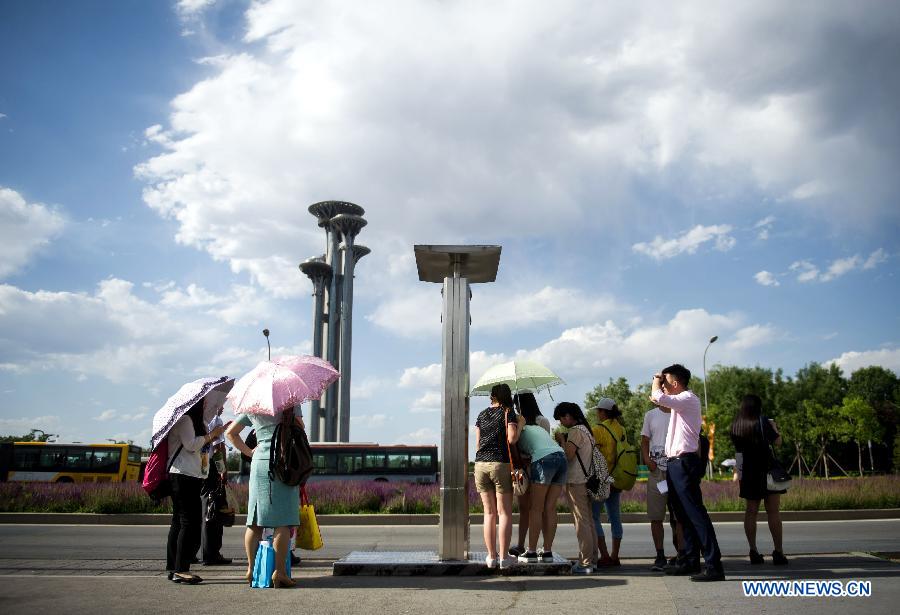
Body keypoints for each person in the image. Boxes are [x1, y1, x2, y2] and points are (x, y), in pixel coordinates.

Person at [651, 363, 725, 582]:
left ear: (674, 382)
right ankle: (691, 561)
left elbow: (658, 397)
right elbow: (657, 400)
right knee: (682, 516)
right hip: (675, 464)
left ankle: (714, 564)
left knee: (696, 514)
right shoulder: (677, 404)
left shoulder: (687, 398)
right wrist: (659, 386)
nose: (663, 386)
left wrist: (656, 380)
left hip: (684, 463)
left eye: (666, 382)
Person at [226, 408, 304, 588]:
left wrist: (250, 452)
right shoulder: (289, 400)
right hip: (283, 461)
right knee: (282, 522)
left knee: (254, 522)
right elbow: (300, 428)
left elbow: (231, 433)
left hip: (259, 462)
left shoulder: (255, 403)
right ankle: (279, 573)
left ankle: (251, 569)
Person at [166, 395, 229, 584]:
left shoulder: (195, 421)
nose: (206, 407)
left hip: (189, 475)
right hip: (183, 476)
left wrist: (213, 432)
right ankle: (181, 569)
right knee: (189, 523)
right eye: (203, 404)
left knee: (179, 521)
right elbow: (191, 445)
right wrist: (213, 434)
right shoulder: (185, 420)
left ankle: (174, 567)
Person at [730, 393, 789, 565]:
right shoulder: (763, 421)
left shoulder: (736, 425)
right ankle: (778, 552)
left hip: (748, 472)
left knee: (750, 512)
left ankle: (753, 550)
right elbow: (778, 442)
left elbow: (738, 453)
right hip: (767, 471)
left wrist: (739, 475)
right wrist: (774, 427)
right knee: (773, 512)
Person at [514, 395, 567, 563]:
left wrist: (518, 425)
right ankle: (547, 552)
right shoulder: (538, 427)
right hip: (561, 458)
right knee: (550, 508)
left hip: (543, 460)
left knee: (536, 509)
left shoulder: (521, 429)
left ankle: (530, 552)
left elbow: (514, 444)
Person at [474, 383, 520, 570]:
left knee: (489, 513)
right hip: (500, 464)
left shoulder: (481, 415)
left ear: (492, 396)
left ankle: (491, 557)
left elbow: (478, 444)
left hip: (480, 465)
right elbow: (511, 439)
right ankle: (504, 557)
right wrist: (520, 427)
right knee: (504, 512)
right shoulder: (508, 412)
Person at [553, 402, 599, 574]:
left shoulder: (575, 431)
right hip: (587, 480)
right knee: (588, 521)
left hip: (576, 480)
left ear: (567, 416)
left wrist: (561, 440)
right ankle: (592, 559)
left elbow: (569, 455)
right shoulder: (587, 429)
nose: (560, 422)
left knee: (581, 522)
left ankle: (585, 562)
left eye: (560, 419)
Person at [508, 392, 552, 558]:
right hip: (519, 469)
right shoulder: (518, 421)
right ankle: (520, 544)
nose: (516, 408)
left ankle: (539, 546)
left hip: (536, 467)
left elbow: (543, 447)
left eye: (517, 404)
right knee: (522, 508)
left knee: (537, 508)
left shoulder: (542, 421)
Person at [641, 404, 684, 571]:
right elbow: (644, 440)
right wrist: (648, 461)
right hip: (657, 472)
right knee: (656, 517)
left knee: (679, 516)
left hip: (676, 470)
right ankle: (660, 555)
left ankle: (682, 554)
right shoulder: (650, 415)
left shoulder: (680, 412)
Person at [589, 398, 624, 567]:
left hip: (601, 479)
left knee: (594, 516)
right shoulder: (620, 428)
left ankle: (604, 556)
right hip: (616, 478)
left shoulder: (598, 430)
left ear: (603, 412)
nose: (597, 413)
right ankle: (615, 555)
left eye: (598, 411)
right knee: (615, 517)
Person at [197, 408, 232, 566]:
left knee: (200, 510)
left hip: (198, 466)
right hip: (211, 468)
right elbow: (218, 448)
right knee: (212, 511)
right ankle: (212, 554)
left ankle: (193, 552)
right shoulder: (216, 420)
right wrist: (223, 470)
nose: (223, 406)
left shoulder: (198, 419)